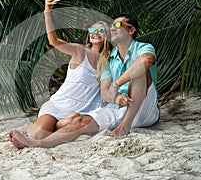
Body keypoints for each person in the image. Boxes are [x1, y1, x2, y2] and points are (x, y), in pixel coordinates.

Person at [9, 14, 160, 149]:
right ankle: (38, 144)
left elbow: (146, 61)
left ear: (131, 30)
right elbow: (105, 91)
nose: (113, 28)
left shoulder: (142, 48)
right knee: (78, 123)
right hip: (115, 109)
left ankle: (125, 127)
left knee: (139, 71)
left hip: (142, 110)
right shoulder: (108, 61)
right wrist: (116, 97)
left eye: (118, 25)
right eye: (112, 26)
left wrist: (117, 83)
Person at [8, 0, 113, 144]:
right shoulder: (80, 51)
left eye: (101, 30)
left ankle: (43, 127)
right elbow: (53, 41)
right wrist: (47, 12)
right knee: (39, 135)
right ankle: (28, 129)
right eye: (92, 30)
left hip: (81, 111)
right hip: (59, 104)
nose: (95, 33)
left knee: (69, 124)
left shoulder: (110, 61)